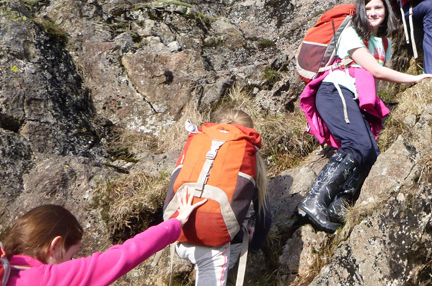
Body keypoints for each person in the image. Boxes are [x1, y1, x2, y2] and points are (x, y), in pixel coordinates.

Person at [298, 0, 432, 233]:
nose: (373, 12)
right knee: (358, 146)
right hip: (334, 92)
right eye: (368, 7)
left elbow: (373, 83)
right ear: (361, 10)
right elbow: (376, 70)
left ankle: (338, 206)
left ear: (386, 9)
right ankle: (315, 200)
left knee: (371, 152)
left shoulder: (384, 43)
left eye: (378, 7)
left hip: (350, 98)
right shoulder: (351, 33)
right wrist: (415, 79)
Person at [1, 192, 205, 286]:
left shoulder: (8, 267)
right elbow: (125, 255)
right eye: (71, 256)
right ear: (54, 246)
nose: (71, 263)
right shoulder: (47, 279)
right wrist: (175, 224)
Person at [170, 109, 271, 286]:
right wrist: (255, 245)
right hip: (216, 247)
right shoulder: (250, 162)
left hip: (178, 238)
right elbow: (265, 218)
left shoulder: (197, 150)